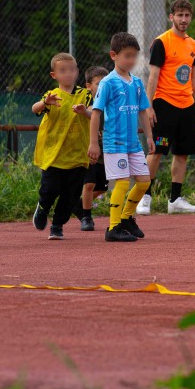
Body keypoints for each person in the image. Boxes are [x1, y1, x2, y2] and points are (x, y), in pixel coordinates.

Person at [138, 0, 195, 215]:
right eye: (180, 15)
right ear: (172, 17)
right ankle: (143, 197)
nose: (184, 19)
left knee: (183, 152)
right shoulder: (161, 42)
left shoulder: (193, 44)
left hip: (187, 107)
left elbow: (193, 77)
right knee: (158, 149)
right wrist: (148, 106)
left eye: (187, 15)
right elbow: (153, 76)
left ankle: (174, 199)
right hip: (164, 105)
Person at [89, 33, 156, 242]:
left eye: (134, 56)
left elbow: (144, 111)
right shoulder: (107, 83)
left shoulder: (136, 83)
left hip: (133, 144)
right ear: (113, 55)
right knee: (122, 183)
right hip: (114, 142)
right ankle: (113, 227)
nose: (132, 60)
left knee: (144, 181)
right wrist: (93, 143)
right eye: (127, 56)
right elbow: (96, 113)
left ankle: (126, 217)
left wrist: (149, 137)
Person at [31, 53, 92, 240]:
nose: (68, 74)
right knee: (50, 189)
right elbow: (35, 109)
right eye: (63, 71)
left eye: (72, 70)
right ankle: (42, 208)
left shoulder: (85, 94)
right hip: (54, 154)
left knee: (71, 196)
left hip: (77, 155)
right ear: (54, 75)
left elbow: (94, 114)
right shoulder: (52, 96)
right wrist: (44, 103)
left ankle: (57, 226)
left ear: (77, 72)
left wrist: (85, 112)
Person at [72, 66, 109, 231]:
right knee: (89, 184)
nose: (102, 87)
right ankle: (86, 217)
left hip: (107, 151)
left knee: (102, 187)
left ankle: (78, 204)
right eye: (98, 83)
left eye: (105, 83)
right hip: (91, 151)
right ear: (89, 86)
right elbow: (91, 112)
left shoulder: (112, 102)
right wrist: (82, 111)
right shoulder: (90, 103)